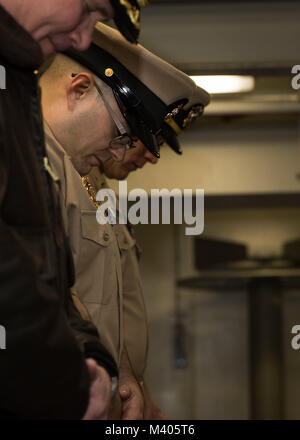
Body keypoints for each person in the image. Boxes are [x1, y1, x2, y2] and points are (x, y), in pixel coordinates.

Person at [39, 22, 210, 419]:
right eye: (121, 135)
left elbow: (90, 297)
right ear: (79, 90)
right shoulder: (31, 160)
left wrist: (128, 375)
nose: (122, 155)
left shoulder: (73, 172)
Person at [0, 0, 148, 420]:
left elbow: (52, 280)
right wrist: (68, 375)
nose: (85, 37)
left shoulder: (14, 83)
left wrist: (93, 361)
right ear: (78, 89)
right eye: (88, 9)